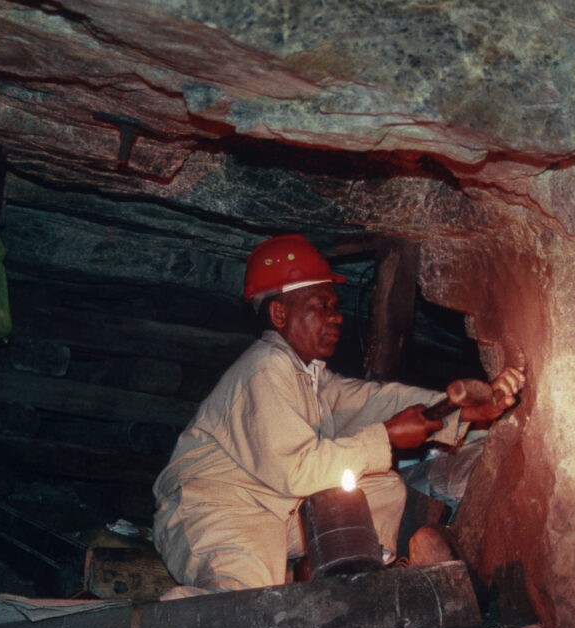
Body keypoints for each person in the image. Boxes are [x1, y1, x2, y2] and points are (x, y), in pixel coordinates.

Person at [152, 234, 525, 597]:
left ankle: (354, 587)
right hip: (215, 511)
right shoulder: (264, 368)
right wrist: (387, 436)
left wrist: (465, 410)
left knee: (381, 489)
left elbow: (374, 402)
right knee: (241, 604)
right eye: (321, 306)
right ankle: (173, 621)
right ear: (279, 313)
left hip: (271, 511)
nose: (337, 318)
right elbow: (298, 471)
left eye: (335, 306)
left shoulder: (309, 378)